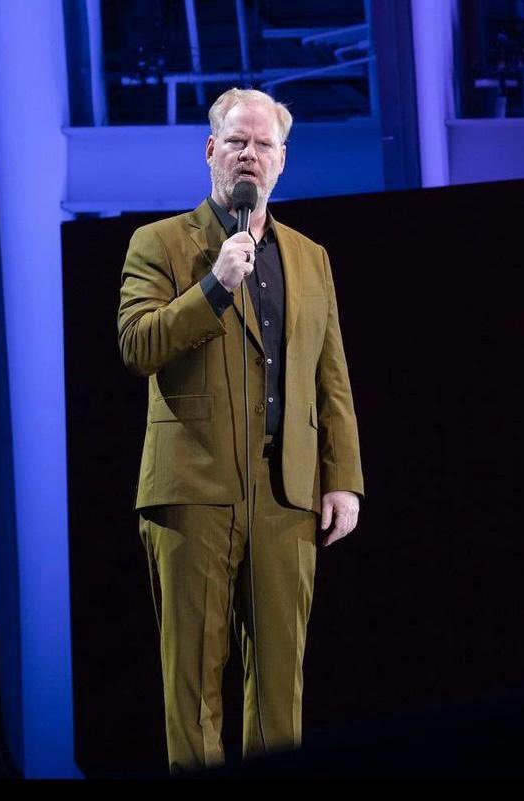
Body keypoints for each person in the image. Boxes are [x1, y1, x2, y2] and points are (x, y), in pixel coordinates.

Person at [117, 87, 364, 772]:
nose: (249, 155)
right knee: (193, 683)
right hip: (193, 488)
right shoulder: (160, 243)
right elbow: (138, 345)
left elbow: (330, 373)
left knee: (280, 688)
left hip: (288, 492)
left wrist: (342, 478)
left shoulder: (310, 257)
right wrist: (214, 286)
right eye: (236, 142)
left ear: (282, 161)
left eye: (262, 145)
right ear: (210, 152)